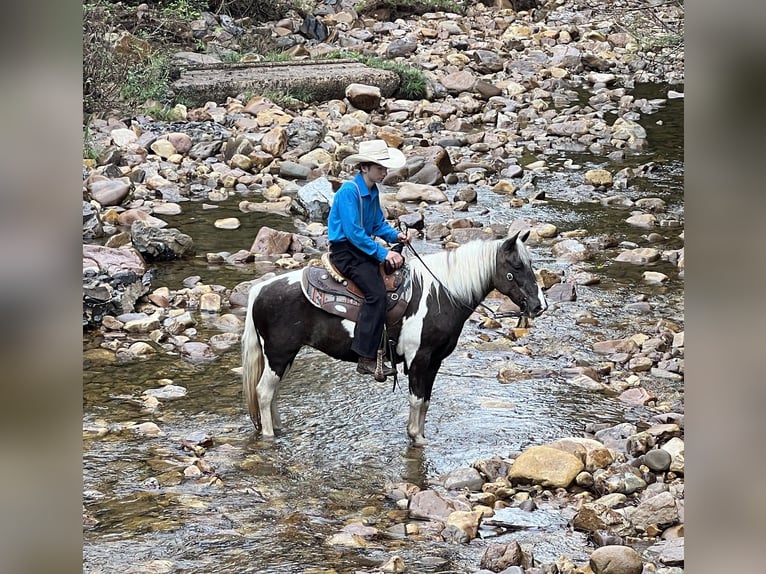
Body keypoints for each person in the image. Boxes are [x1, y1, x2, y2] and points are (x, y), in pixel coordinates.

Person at [327, 139, 412, 379]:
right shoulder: (348, 193)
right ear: (364, 167)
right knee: (375, 294)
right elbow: (353, 233)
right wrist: (384, 253)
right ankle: (365, 356)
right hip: (346, 251)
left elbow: (376, 224)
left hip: (361, 248)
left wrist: (396, 235)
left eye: (385, 168)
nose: (385, 172)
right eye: (380, 168)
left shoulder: (372, 191)